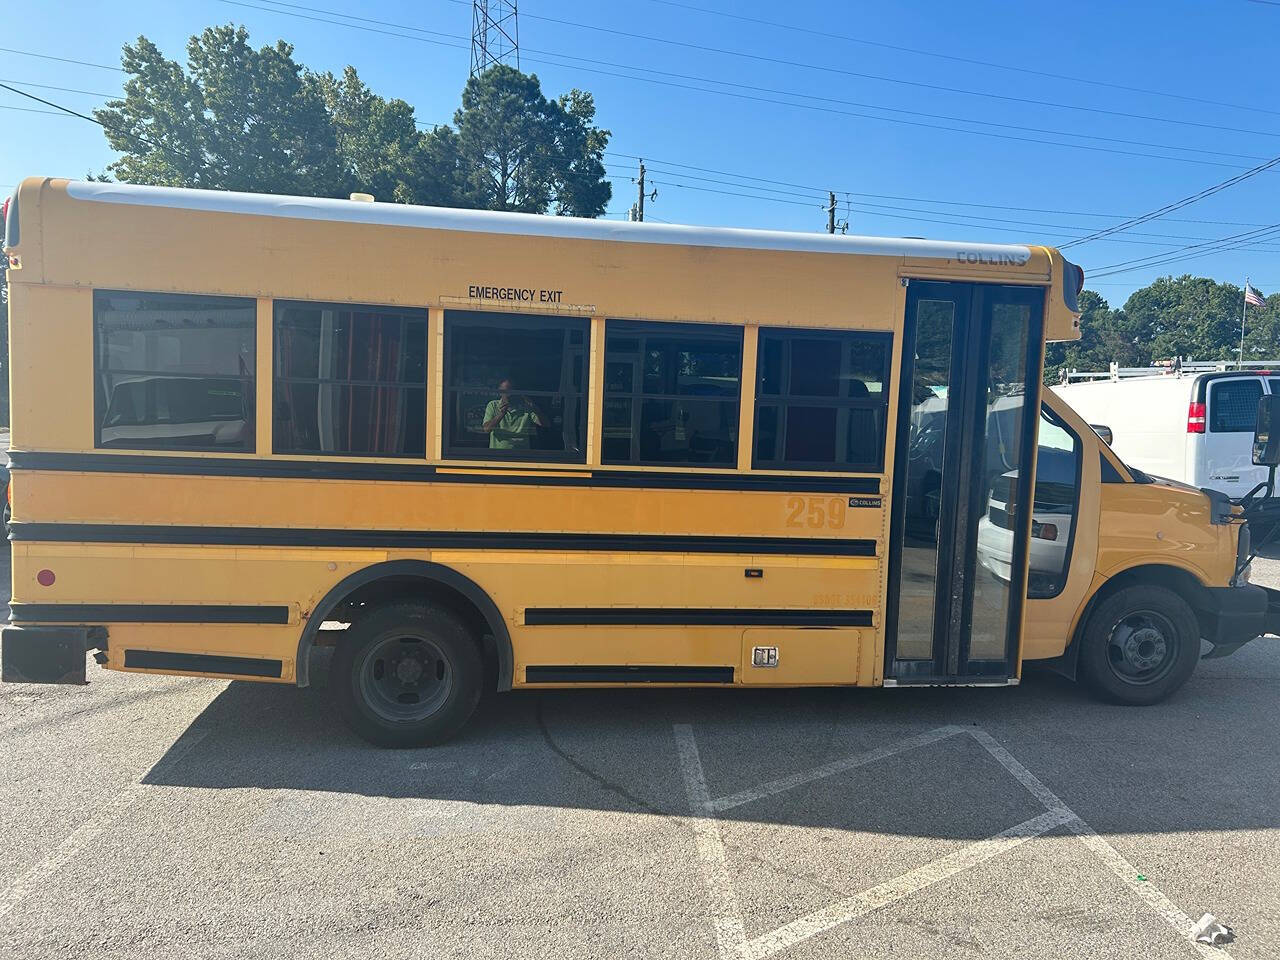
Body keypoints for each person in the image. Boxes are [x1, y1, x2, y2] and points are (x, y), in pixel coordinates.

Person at [481, 378, 547, 450]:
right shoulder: (493, 405)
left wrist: (534, 407)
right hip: (498, 455)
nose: (509, 394)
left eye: (511, 391)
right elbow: (486, 429)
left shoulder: (526, 407)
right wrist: (501, 414)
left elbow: (545, 424)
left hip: (522, 455)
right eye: (505, 391)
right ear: (500, 392)